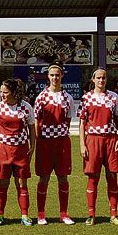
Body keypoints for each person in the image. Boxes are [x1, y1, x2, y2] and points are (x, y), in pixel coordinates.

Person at [79, 69, 118, 225]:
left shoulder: (113, 97)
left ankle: (114, 214)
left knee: (112, 176)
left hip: (111, 140)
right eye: (98, 78)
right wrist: (82, 144)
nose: (101, 80)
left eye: (104, 78)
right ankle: (91, 214)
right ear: (93, 80)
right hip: (93, 140)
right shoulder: (86, 98)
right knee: (93, 177)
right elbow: (82, 122)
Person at [33, 64, 75, 225]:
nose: (54, 78)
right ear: (48, 76)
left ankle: (64, 214)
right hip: (45, 142)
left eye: (57, 75)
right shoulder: (41, 97)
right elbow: (36, 120)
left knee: (63, 178)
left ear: (62, 75)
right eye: (52, 75)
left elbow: (68, 118)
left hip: (62, 142)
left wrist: (61, 131)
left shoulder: (67, 98)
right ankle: (41, 214)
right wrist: (39, 139)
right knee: (44, 178)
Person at [0, 78, 34, 226]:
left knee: (21, 183)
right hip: (3, 151)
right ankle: (0, 216)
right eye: (1, 92)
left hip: (21, 150)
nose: (2, 95)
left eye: (5, 92)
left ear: (14, 92)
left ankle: (25, 215)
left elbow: (31, 128)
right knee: (2, 183)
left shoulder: (26, 107)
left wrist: (32, 146)